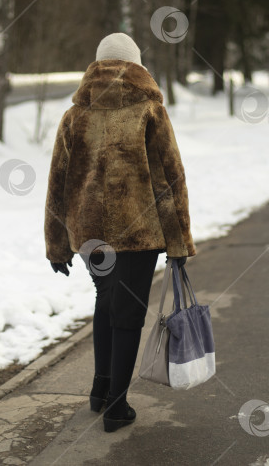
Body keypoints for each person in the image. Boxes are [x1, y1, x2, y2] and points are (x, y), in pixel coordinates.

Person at [44, 32, 196, 433]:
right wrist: (178, 241)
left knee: (107, 301)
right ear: (136, 64)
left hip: (89, 234)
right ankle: (117, 406)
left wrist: (57, 246)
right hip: (138, 232)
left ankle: (100, 391)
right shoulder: (149, 110)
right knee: (127, 312)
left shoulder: (75, 114)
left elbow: (57, 183)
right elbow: (171, 179)